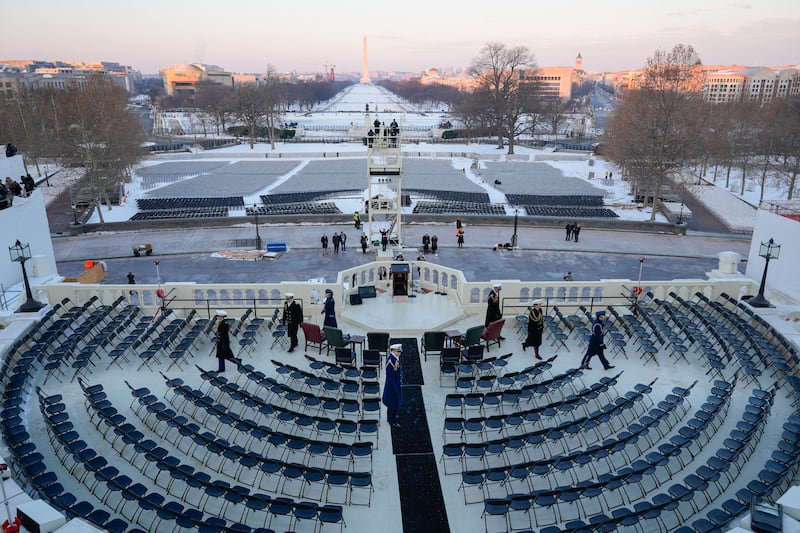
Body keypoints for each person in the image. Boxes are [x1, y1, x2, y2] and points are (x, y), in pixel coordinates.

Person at [382, 343, 403, 428]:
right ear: (393, 351)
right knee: (392, 404)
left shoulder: (395, 358)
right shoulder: (390, 361)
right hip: (392, 386)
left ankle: (393, 415)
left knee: (396, 402)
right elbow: (390, 378)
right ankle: (392, 420)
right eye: (398, 351)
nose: (400, 353)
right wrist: (394, 389)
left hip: (396, 384)